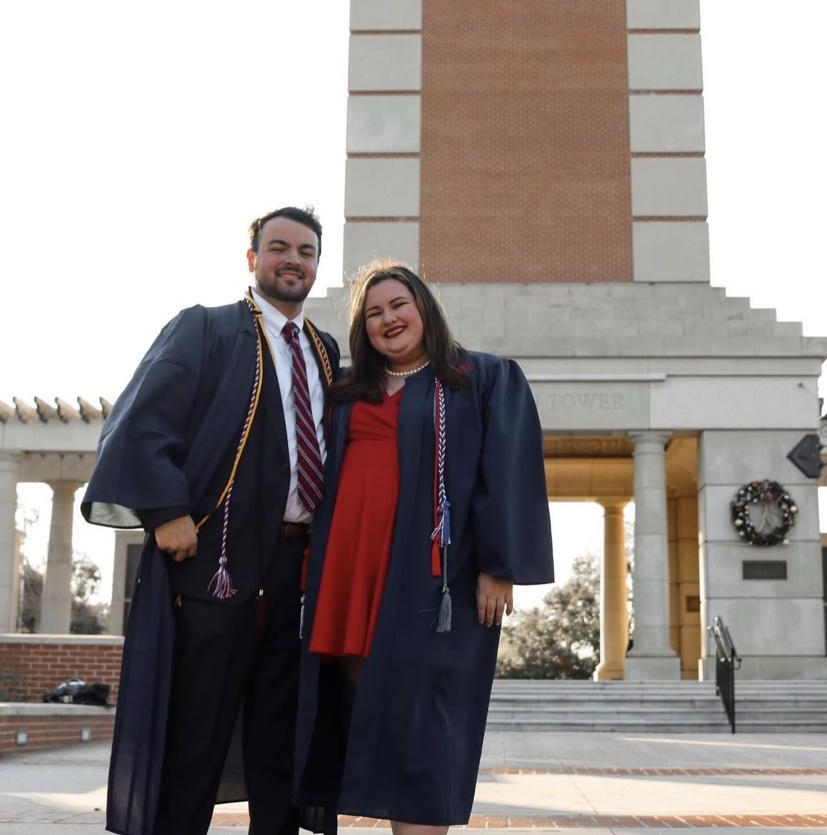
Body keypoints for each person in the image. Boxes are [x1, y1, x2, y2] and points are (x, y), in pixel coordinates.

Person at [81, 206, 339, 835]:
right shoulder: (206, 328)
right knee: (197, 731)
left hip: (298, 567)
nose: (293, 260)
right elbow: (143, 420)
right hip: (215, 561)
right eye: (279, 247)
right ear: (252, 259)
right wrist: (166, 511)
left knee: (281, 736)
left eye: (306, 252)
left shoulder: (324, 350)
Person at [293, 263, 554, 834]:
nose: (387, 319)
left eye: (398, 305)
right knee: (381, 721)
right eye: (373, 313)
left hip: (432, 581)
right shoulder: (347, 391)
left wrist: (499, 567)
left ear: (424, 308)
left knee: (424, 730)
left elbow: (506, 471)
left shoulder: (478, 377)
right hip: (350, 573)